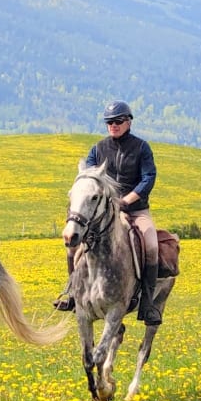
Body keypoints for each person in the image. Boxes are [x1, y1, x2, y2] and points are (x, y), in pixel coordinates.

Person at [54, 100, 162, 326]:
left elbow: (148, 178)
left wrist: (127, 200)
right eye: (109, 122)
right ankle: (73, 293)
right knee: (74, 244)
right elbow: (89, 177)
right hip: (104, 214)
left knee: (151, 245)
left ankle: (148, 304)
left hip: (135, 210)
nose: (113, 125)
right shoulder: (98, 149)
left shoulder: (142, 148)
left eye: (118, 121)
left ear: (129, 122)